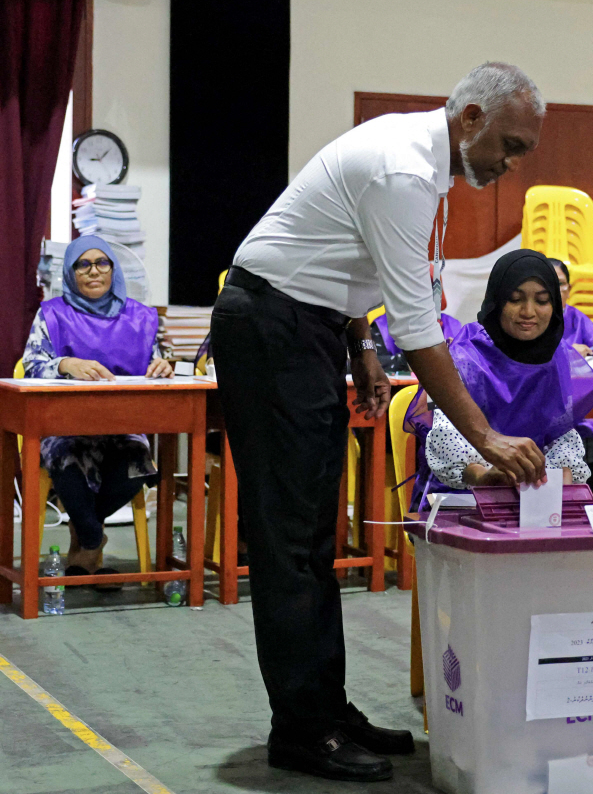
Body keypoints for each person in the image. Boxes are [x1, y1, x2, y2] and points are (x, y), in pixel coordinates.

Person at [211, 62, 549, 783]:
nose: (512, 165)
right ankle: (301, 731)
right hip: (271, 328)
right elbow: (418, 324)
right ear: (470, 121)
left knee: (312, 537)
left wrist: (359, 343)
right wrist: (485, 435)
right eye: (511, 147)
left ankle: (326, 711)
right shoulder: (403, 170)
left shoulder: (424, 163)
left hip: (308, 326)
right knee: (290, 541)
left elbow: (352, 262)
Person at [21, 236, 172, 589]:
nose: (93, 271)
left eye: (102, 263)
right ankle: (92, 541)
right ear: (71, 272)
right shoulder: (52, 314)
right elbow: (31, 365)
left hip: (124, 425)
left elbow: (157, 362)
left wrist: (162, 365)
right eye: (83, 264)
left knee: (137, 462)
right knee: (67, 458)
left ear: (114, 270)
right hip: (66, 427)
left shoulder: (141, 317)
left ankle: (84, 544)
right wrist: (65, 364)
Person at [417, 250, 593, 496]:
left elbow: (561, 434)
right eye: (515, 299)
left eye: (542, 301)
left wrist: (561, 476)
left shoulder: (555, 358)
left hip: (531, 495)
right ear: (497, 301)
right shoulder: (465, 355)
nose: (528, 312)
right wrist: (484, 476)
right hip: (460, 497)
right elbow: (446, 437)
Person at [547, 257, 593, 488]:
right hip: (547, 419)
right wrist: (565, 353)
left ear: (569, 288)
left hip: (584, 417)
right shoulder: (532, 319)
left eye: (561, 284)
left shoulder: (577, 319)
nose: (556, 290)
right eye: (549, 283)